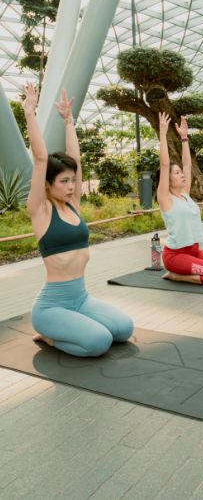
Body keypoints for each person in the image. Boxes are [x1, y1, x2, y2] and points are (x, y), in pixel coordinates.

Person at [22, 83, 133, 357]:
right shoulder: (40, 210)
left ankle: (73, 326)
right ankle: (48, 335)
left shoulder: (73, 206)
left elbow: (77, 161)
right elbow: (39, 159)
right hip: (52, 306)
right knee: (98, 342)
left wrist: (69, 121)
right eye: (64, 181)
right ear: (48, 185)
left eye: (73, 180)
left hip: (81, 298)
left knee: (124, 329)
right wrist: (29, 112)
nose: (72, 185)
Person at [155, 112, 203, 284]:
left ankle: (181, 272)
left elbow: (188, 165)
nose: (182, 175)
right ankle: (175, 274)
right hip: (175, 255)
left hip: (194, 251)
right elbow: (164, 164)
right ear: (167, 179)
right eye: (177, 173)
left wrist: (185, 138)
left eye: (180, 172)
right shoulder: (165, 198)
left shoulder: (185, 193)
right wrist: (162, 133)